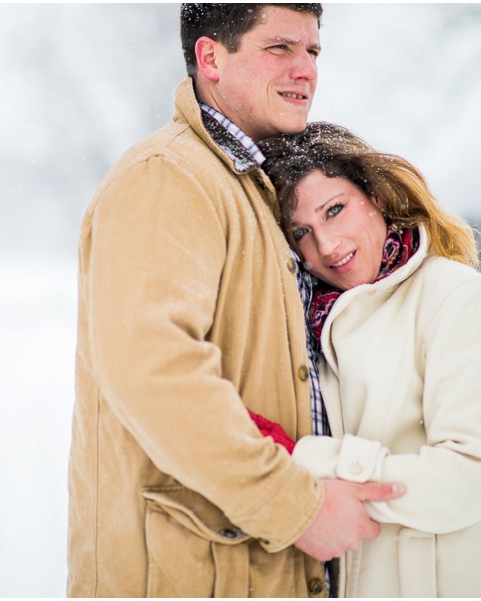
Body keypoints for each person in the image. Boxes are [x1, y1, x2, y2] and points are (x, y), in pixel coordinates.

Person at [68, 4, 405, 597]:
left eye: (314, 51)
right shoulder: (166, 177)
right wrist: (296, 506)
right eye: (280, 48)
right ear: (210, 58)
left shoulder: (256, 188)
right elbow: (154, 373)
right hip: (186, 577)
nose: (306, 70)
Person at [257, 122, 481, 597]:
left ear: (377, 198)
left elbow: (468, 476)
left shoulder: (455, 296)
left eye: (335, 210)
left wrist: (308, 462)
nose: (326, 245)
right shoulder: (303, 322)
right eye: (302, 231)